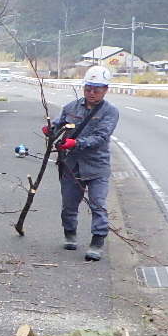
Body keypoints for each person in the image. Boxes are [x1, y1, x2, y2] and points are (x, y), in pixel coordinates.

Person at [44, 64, 120, 261]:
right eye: (88, 88)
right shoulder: (71, 107)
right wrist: (50, 130)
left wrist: (75, 143)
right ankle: (70, 233)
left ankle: (97, 241)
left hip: (97, 166)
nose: (91, 93)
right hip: (70, 165)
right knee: (69, 205)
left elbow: (101, 137)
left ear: (105, 90)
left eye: (97, 89)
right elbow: (59, 124)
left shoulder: (110, 112)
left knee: (98, 205)